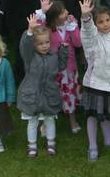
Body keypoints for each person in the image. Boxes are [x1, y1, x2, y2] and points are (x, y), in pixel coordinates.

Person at [78, 0, 110, 162]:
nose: (105, 24)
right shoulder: (92, 39)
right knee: (92, 116)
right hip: (95, 84)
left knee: (106, 115)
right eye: (101, 21)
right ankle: (92, 146)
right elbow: (87, 31)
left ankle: (109, 141)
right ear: (95, 24)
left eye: (107, 20)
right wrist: (86, 17)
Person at [18, 13, 70, 157]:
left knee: (49, 119)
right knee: (33, 121)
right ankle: (32, 146)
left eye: (47, 42)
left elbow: (61, 66)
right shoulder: (29, 57)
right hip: (32, 94)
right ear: (34, 45)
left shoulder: (53, 56)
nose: (44, 46)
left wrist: (63, 51)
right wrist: (29, 31)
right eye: (40, 43)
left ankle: (51, 144)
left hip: (49, 94)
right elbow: (24, 46)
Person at [37, 0, 83, 133]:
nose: (67, 12)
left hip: (69, 69)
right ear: (55, 17)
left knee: (70, 94)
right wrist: (43, 11)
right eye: (63, 12)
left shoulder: (70, 25)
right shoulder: (47, 28)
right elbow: (37, 31)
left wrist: (73, 27)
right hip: (52, 70)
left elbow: (78, 43)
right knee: (50, 95)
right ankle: (46, 123)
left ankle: (72, 120)